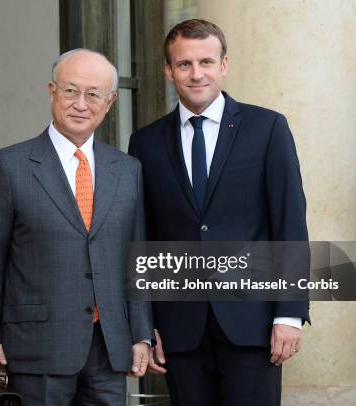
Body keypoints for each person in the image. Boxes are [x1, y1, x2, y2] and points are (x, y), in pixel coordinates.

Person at [129, 19, 310, 406]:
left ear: (224, 65)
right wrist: (146, 326)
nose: (196, 74)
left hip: (254, 326)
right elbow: (144, 239)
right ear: (168, 70)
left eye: (206, 62)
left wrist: (289, 315)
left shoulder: (267, 128)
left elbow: (289, 224)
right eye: (184, 64)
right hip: (179, 332)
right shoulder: (145, 142)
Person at [0, 48, 153, 405]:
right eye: (70, 90)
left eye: (93, 94)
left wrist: (142, 335)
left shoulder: (127, 170)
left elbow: (138, 259)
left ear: (111, 101)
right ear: (52, 91)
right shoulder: (10, 166)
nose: (80, 104)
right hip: (36, 345)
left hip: (109, 345)